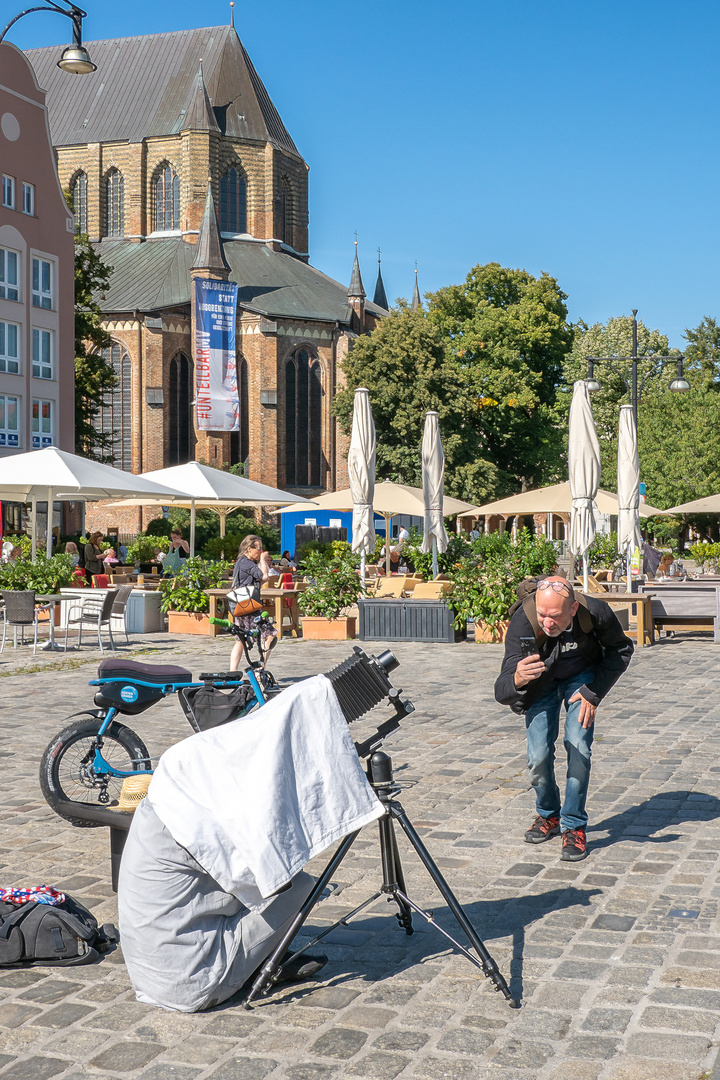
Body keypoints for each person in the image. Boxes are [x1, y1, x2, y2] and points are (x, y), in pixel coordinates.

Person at [494, 576, 634, 862]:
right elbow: (502, 688)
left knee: (578, 745)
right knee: (538, 756)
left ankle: (573, 824)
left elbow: (621, 650)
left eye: (555, 616)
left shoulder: (595, 612)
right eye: (542, 614)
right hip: (541, 683)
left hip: (581, 679)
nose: (547, 623)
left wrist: (594, 692)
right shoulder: (524, 619)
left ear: (571, 609)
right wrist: (519, 678)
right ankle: (549, 815)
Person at [229, 534, 277, 670]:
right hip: (249, 606)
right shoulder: (246, 563)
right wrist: (263, 560)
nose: (261, 551)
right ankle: (260, 670)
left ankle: (233, 673)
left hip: (242, 605)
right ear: (249, 548)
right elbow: (265, 577)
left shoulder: (241, 562)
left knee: (241, 639)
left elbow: (259, 580)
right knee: (270, 635)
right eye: (259, 549)